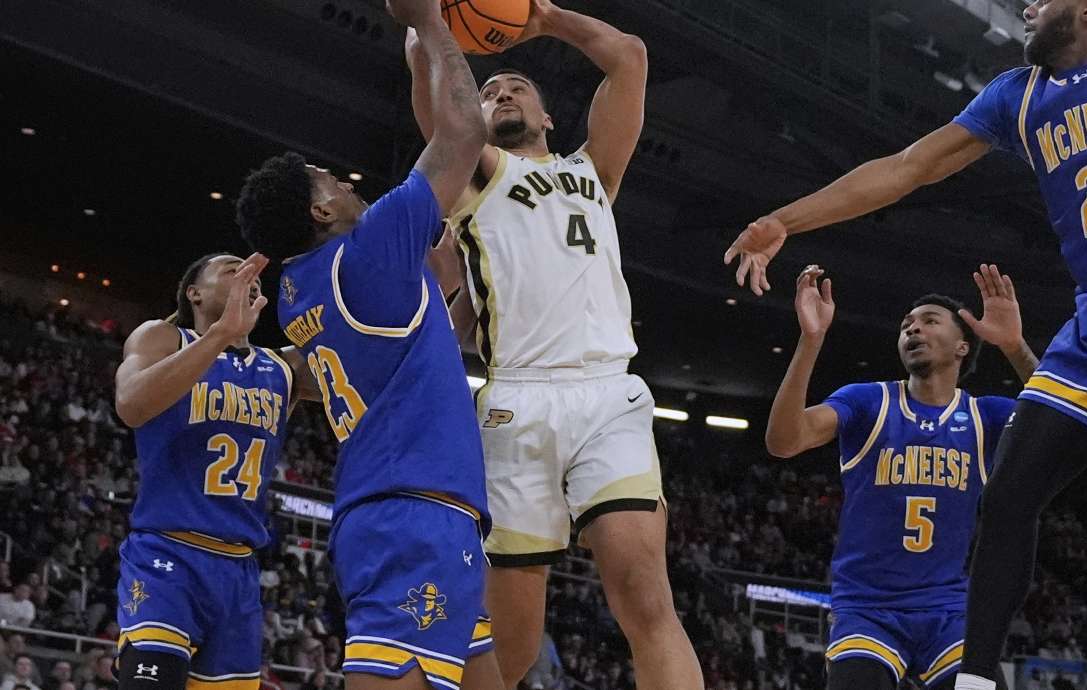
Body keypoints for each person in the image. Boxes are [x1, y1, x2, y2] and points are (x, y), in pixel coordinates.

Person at [723, 1, 1087, 688]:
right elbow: (907, 167)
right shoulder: (1018, 99)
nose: (1025, 7)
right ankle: (977, 678)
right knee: (1011, 492)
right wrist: (786, 220)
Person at [411, 0, 701, 686]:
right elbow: (428, 68)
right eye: (488, 90)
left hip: (609, 394)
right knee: (509, 641)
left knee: (645, 598)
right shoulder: (475, 175)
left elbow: (629, 57)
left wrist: (543, 17)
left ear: (548, 118)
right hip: (518, 400)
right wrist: (430, 23)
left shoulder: (594, 172)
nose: (501, 91)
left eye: (517, 88)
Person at [234, 0, 497, 688]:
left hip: (408, 507)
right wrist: (433, 24)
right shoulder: (368, 253)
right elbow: (468, 130)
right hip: (413, 514)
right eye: (329, 181)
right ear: (320, 211)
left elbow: (428, 334)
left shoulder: (300, 291)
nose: (346, 181)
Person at [766, 265, 1032, 690]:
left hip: (949, 612)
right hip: (867, 609)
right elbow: (783, 441)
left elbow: (1061, 420)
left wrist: (1016, 346)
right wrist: (811, 340)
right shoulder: (869, 401)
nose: (913, 329)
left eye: (929, 321)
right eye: (907, 325)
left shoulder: (986, 416)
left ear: (962, 346)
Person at [112, 252, 315, 690]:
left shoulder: (284, 368)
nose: (250, 276)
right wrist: (222, 335)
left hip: (239, 571)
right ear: (195, 293)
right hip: (167, 556)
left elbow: (378, 363)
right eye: (231, 268)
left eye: (255, 272)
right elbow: (130, 404)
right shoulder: (163, 337)